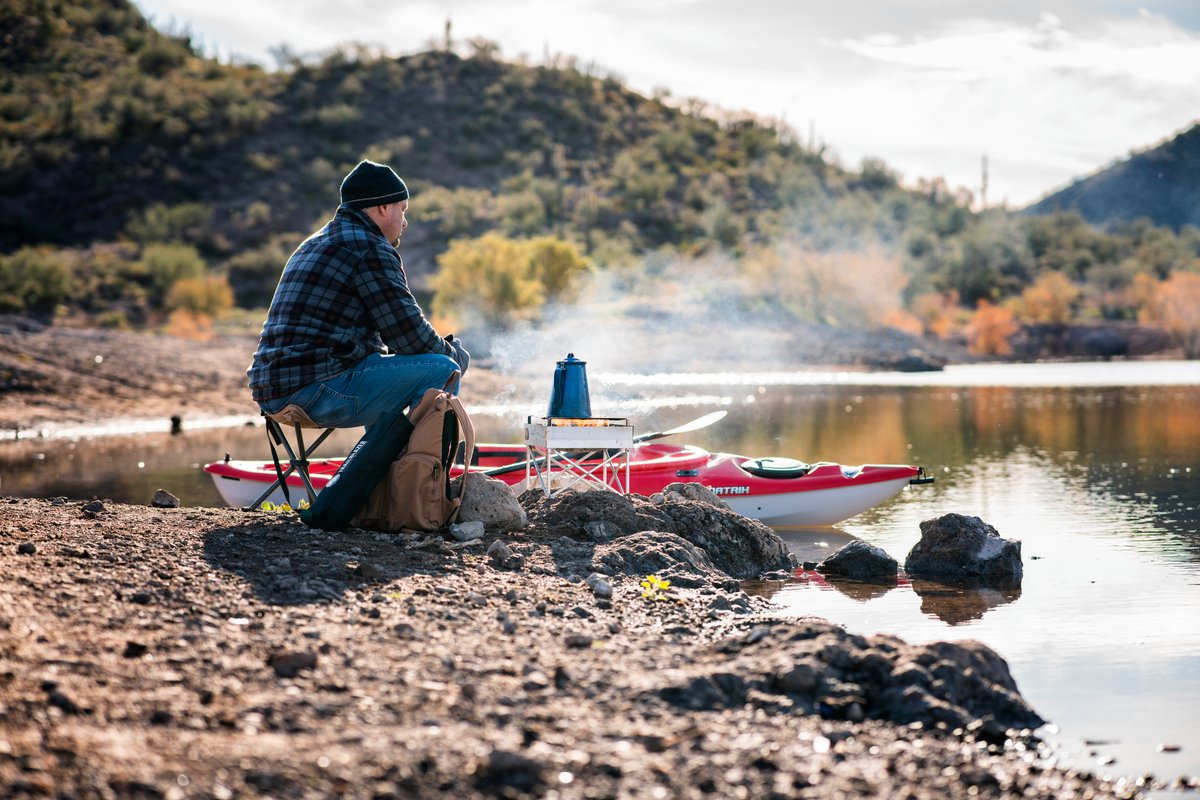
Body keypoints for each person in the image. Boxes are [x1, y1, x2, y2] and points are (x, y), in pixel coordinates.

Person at [248, 160, 468, 433]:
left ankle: (375, 470)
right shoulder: (368, 246)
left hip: (271, 389)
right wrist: (454, 355)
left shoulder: (316, 241)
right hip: (315, 388)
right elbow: (407, 335)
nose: (405, 221)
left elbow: (397, 340)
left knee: (378, 366)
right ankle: (423, 474)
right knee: (444, 369)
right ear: (383, 207)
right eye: (403, 209)